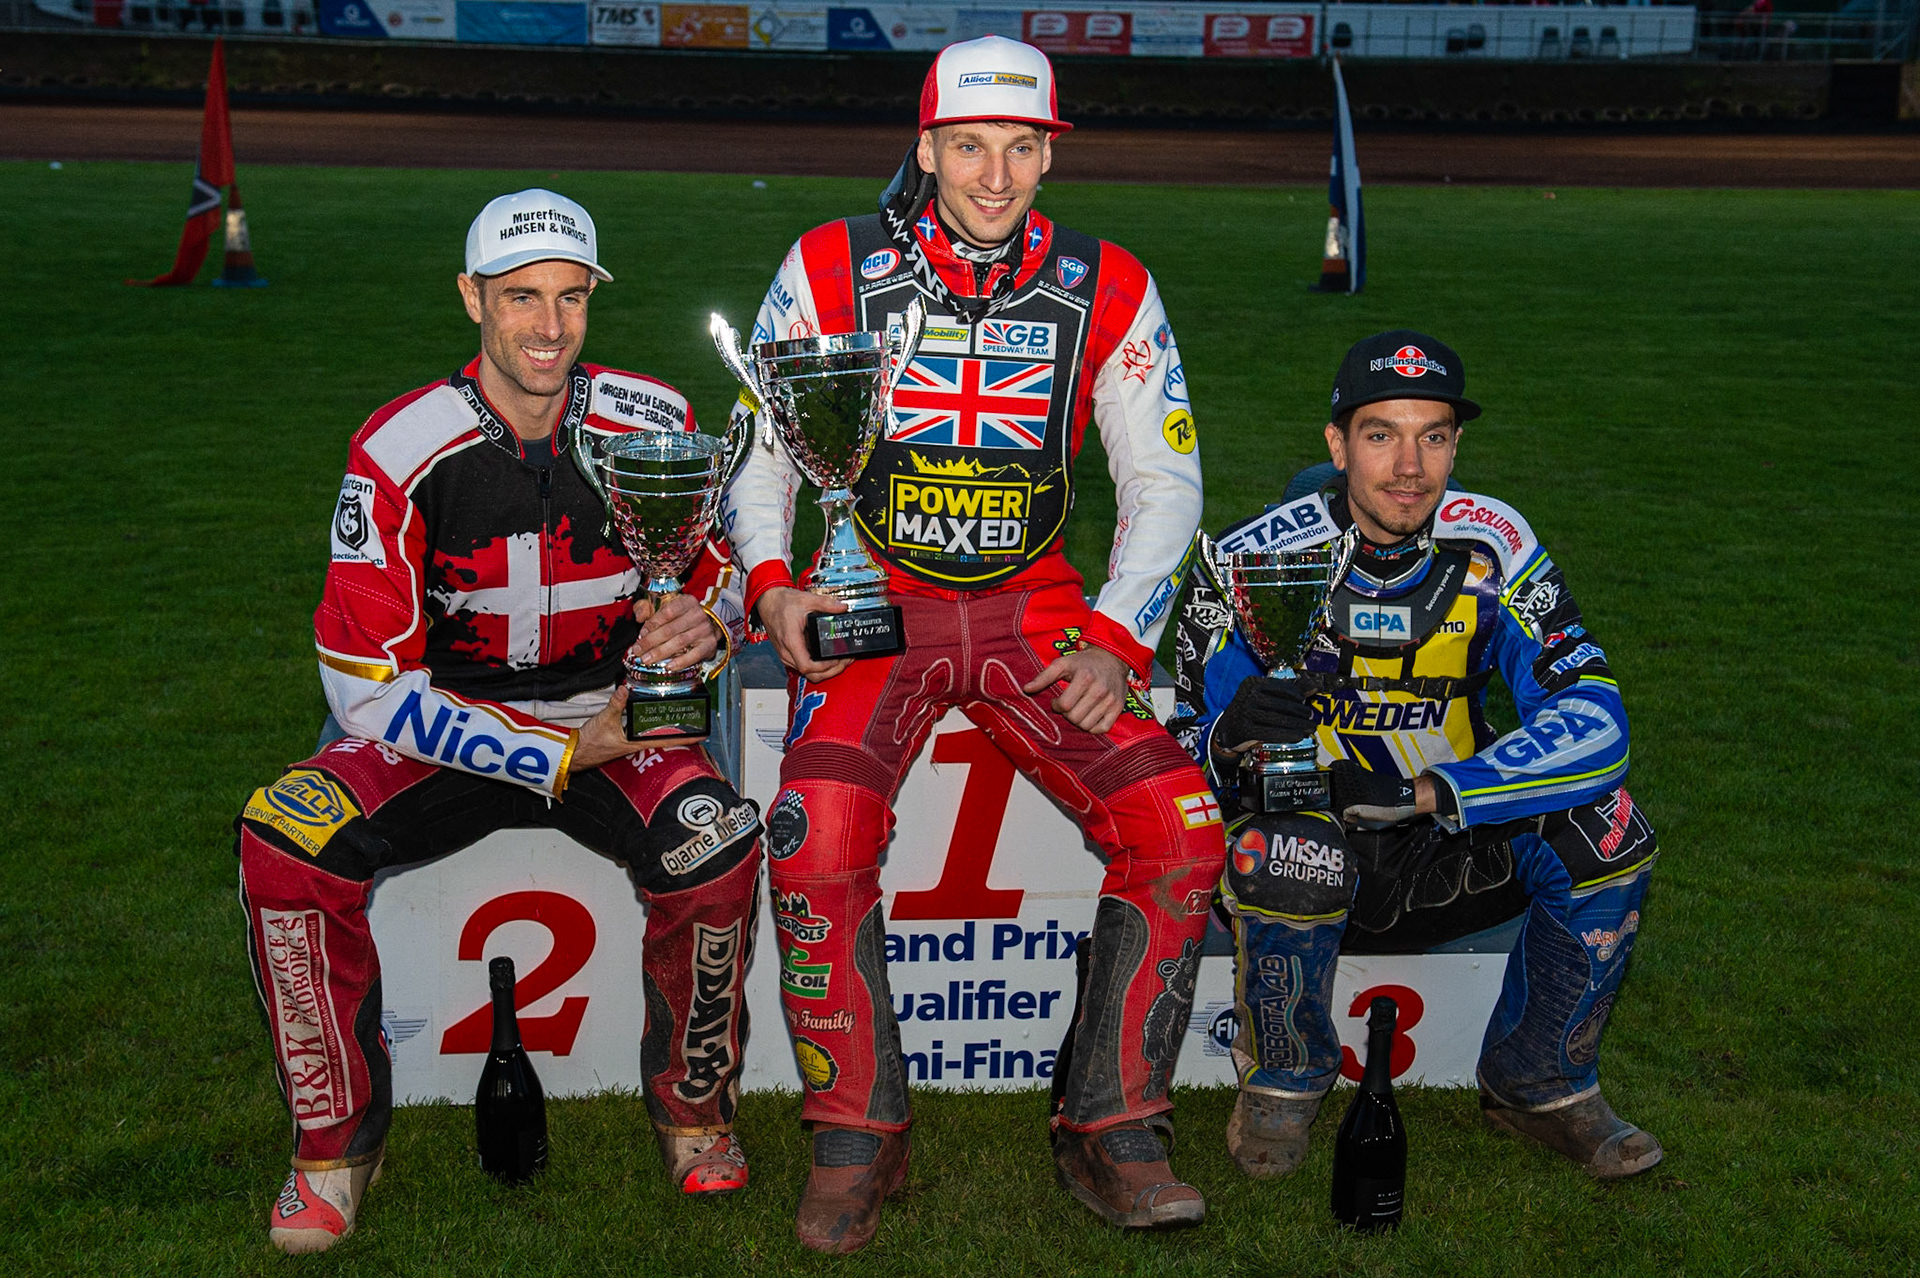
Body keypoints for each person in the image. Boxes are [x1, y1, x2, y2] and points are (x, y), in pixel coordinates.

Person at [722, 35, 1224, 1253]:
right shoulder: (831, 261)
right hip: (875, 603)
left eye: (1020, 147)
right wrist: (776, 586)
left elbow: (1166, 479)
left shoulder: (1111, 279)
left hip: (1034, 608)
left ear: (1050, 151)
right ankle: (858, 1132)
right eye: (967, 145)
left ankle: (1112, 1125)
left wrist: (1115, 636)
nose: (993, 175)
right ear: (927, 143)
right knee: (818, 832)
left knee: (1180, 827)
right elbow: (764, 445)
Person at [234, 189, 762, 1255]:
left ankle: (692, 1109)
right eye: (521, 298)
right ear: (471, 296)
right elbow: (362, 689)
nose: (549, 327)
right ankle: (335, 1143)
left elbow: (731, 567)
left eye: (571, 298)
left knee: (714, 843)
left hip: (618, 717)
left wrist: (709, 617)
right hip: (435, 725)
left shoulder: (651, 420)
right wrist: (561, 751)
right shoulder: (396, 448)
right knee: (285, 838)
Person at [1171, 329, 1662, 1184]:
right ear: (1336, 444)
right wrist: (1227, 731)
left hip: (1451, 835)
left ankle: (1537, 1082)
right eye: (1380, 434)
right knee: (1280, 847)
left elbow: (1596, 711)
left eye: (1432, 436)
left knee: (1612, 829)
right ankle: (1284, 1080)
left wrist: (1441, 790)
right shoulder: (1253, 555)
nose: (1409, 466)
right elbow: (1159, 723)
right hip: (1323, 841)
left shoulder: (1494, 542)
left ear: (1457, 444)